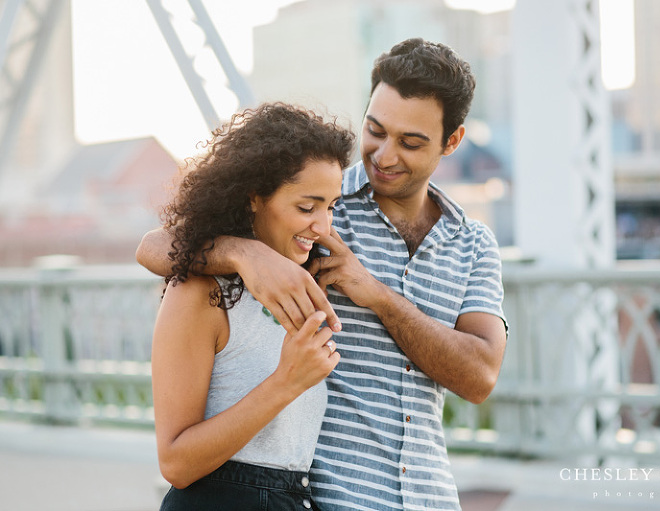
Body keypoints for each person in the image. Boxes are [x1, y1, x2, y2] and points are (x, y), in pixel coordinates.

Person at [138, 38, 507, 511]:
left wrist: (376, 295)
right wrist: (245, 254)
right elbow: (156, 247)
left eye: (411, 142)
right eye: (376, 130)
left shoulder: (473, 243)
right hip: (332, 499)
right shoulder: (316, 203)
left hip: (432, 498)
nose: (385, 155)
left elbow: (479, 377)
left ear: (451, 141)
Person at [150, 102, 355, 510]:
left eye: (330, 207)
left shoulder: (306, 283)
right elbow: (175, 462)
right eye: (306, 207)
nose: (323, 226)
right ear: (254, 197)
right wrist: (287, 382)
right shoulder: (198, 291)